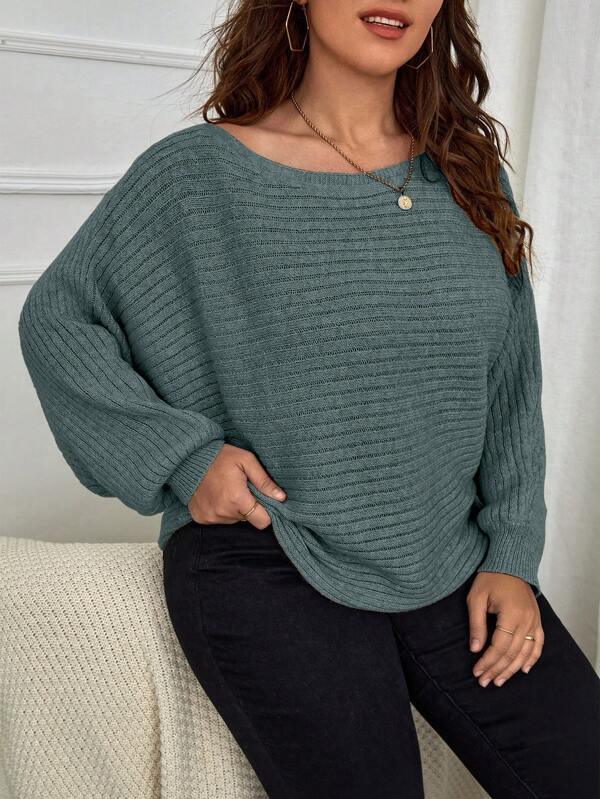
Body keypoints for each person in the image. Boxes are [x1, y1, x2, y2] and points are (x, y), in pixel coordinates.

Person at [19, 1, 600, 796]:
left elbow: (511, 390)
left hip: (448, 557)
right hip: (271, 557)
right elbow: (58, 319)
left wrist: (511, 556)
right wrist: (183, 458)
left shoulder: (469, 176)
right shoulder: (196, 177)